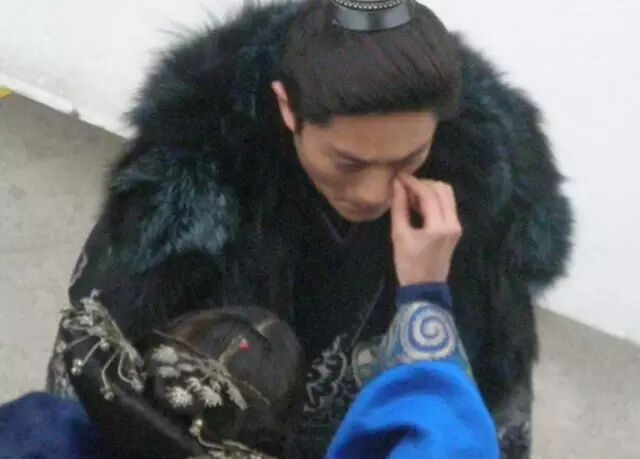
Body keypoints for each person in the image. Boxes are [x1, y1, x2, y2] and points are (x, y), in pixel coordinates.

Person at [46, 0, 572, 457]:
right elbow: (93, 376)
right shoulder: (187, 196)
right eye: (348, 162)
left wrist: (431, 294)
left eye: (409, 158)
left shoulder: (485, 219)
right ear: (287, 108)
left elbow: (488, 414)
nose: (373, 194)